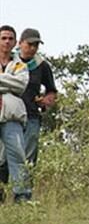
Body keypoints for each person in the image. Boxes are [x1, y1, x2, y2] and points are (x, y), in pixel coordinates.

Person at [15, 28, 58, 166]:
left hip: (31, 115)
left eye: (36, 45)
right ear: (20, 43)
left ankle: (24, 187)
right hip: (10, 115)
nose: (33, 48)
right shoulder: (10, 61)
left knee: (28, 159)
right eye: (29, 44)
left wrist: (46, 100)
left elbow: (51, 90)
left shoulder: (42, 66)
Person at [0, 25, 32, 203]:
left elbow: (20, 85)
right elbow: (14, 84)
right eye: (3, 38)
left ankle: (22, 196)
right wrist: (8, 82)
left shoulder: (20, 65)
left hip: (12, 117)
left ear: (15, 42)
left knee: (18, 156)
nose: (7, 42)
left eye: (10, 39)